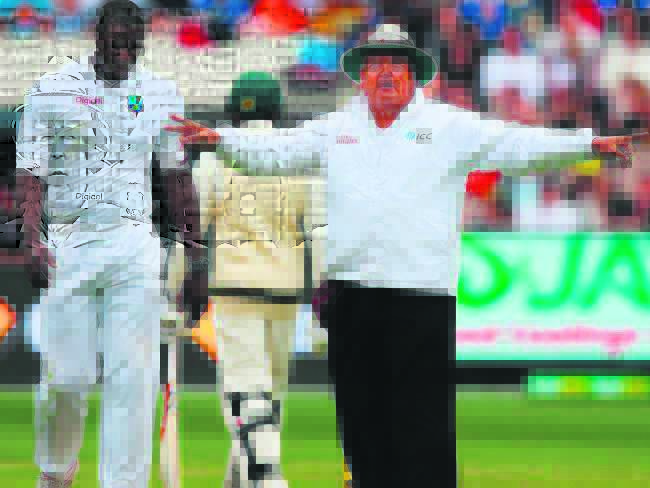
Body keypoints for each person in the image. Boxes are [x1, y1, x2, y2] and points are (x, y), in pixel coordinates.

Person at [165, 23, 644, 488]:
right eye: (376, 64)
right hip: (354, 299)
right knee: (362, 428)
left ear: (414, 75)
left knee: (424, 429)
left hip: (422, 298)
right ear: (361, 75)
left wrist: (586, 145)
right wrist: (220, 140)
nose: (387, 73)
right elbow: (278, 150)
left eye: (397, 64)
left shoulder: (447, 126)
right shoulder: (338, 127)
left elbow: (516, 144)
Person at [14, 1, 206, 487]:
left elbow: (176, 178)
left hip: (134, 245)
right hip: (69, 242)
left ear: (141, 43)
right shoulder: (51, 91)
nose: (123, 53)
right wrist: (30, 239)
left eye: (131, 45)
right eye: (115, 43)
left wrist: (197, 256)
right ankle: (56, 470)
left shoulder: (161, 93)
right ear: (96, 36)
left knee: (133, 379)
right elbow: (31, 173)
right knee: (67, 378)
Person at [166, 71, 323, 488]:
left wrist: (174, 288)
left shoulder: (216, 158)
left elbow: (190, 230)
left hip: (235, 287)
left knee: (245, 391)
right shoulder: (301, 158)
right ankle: (244, 480)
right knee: (270, 396)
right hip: (286, 289)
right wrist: (325, 289)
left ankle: (269, 480)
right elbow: (319, 230)